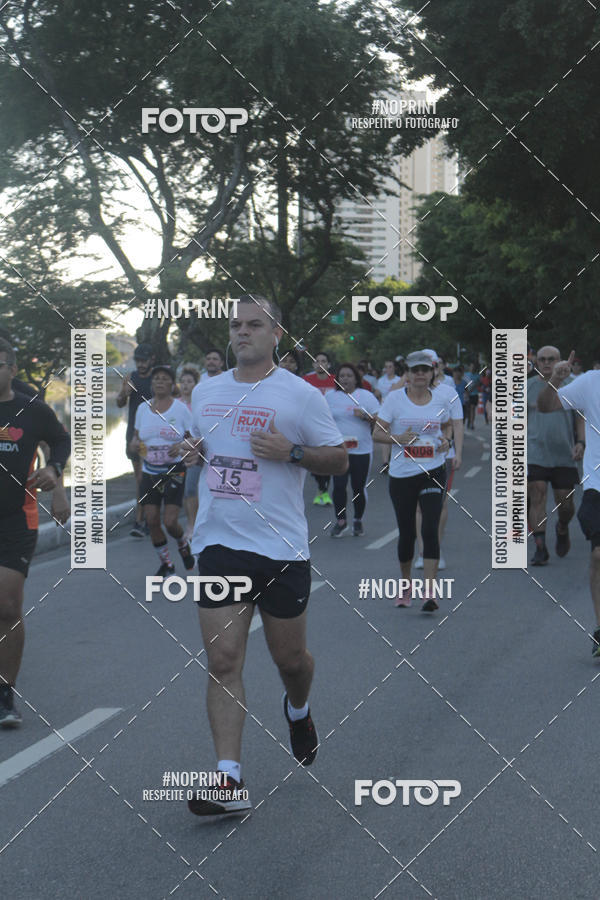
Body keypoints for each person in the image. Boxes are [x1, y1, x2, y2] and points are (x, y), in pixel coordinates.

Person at [186, 293, 347, 815]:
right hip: (218, 543)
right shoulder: (205, 392)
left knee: (290, 661)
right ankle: (227, 781)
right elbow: (204, 448)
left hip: (279, 547)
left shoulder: (300, 396)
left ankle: (298, 710)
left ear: (277, 333)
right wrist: (194, 453)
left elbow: (341, 460)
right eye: (236, 325)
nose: (242, 333)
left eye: (255, 325)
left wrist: (292, 452)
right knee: (223, 659)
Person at [0, 338, 71, 727]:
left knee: (7, 607)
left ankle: (4, 696)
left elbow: (60, 439)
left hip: (15, 519)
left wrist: (55, 473)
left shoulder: (31, 410)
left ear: (11, 369)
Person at [374, 351, 452, 611]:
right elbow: (377, 432)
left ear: (432, 373)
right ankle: (405, 585)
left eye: (425, 370)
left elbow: (447, 426)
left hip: (433, 469)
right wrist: (398, 439)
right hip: (402, 474)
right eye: (415, 370)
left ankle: (430, 591)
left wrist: (446, 440)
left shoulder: (441, 398)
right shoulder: (394, 399)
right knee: (407, 533)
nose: (420, 374)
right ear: (407, 374)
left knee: (429, 527)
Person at [537, 352, 600, 655]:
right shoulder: (590, 383)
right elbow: (546, 406)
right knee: (599, 555)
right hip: (597, 485)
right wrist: (556, 379)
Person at [129, 365, 194, 576]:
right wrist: (134, 444)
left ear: (171, 384)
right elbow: (136, 438)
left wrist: (183, 446)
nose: (159, 382)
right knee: (152, 520)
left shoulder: (181, 409)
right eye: (156, 378)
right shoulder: (142, 409)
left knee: (170, 522)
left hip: (173, 470)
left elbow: (193, 438)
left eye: (164, 379)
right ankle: (167, 564)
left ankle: (182, 543)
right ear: (151, 383)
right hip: (149, 471)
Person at [527, 346, 583, 566]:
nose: (547, 363)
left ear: (560, 361)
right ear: (536, 363)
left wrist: (580, 442)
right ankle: (540, 548)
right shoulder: (526, 387)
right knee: (537, 493)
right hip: (535, 451)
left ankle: (562, 527)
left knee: (566, 504)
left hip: (563, 453)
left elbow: (580, 417)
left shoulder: (572, 387)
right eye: (542, 359)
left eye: (552, 359)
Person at [326, 363, 380, 537]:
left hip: (362, 450)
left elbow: (380, 421)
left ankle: (358, 519)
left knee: (358, 488)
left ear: (356, 378)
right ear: (337, 379)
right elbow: (322, 420)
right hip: (339, 450)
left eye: (349, 375)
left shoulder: (366, 396)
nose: (345, 379)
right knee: (339, 486)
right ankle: (341, 521)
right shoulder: (330, 396)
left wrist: (365, 416)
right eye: (342, 376)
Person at [116, 343, 155, 537]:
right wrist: (124, 392)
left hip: (155, 436)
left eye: (143, 360)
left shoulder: (158, 379)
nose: (140, 364)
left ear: (151, 360)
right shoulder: (131, 377)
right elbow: (120, 402)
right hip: (134, 434)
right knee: (141, 479)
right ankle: (142, 520)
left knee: (150, 478)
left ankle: (146, 519)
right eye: (137, 360)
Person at [303, 352, 336, 505]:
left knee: (327, 458)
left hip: (331, 425)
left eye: (323, 361)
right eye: (317, 361)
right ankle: (321, 488)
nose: (320, 363)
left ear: (328, 364)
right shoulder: (307, 380)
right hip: (311, 425)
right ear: (313, 364)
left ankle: (323, 491)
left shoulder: (335, 380)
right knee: (315, 459)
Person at [179, 365, 201, 541]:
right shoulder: (174, 404)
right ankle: (190, 522)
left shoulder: (200, 404)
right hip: (175, 453)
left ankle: (193, 525)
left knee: (191, 488)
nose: (186, 385)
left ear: (196, 384)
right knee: (184, 493)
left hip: (194, 452)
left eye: (190, 381)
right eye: (183, 382)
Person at [464, 363, 481, 430]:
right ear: (469, 367)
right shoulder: (466, 375)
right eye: (471, 367)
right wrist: (466, 392)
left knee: (473, 408)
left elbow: (478, 384)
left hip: (474, 394)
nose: (472, 368)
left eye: (474, 367)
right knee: (468, 409)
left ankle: (472, 423)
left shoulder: (477, 375)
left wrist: (473, 388)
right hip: (467, 395)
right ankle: (468, 421)